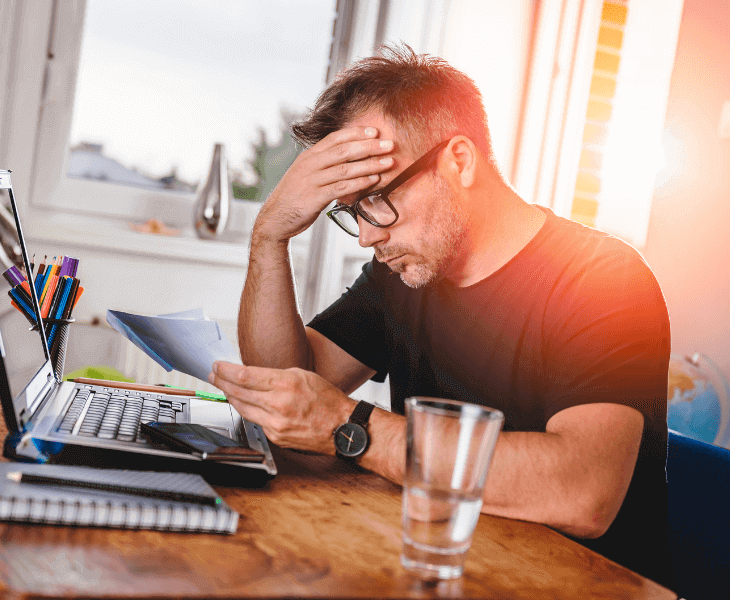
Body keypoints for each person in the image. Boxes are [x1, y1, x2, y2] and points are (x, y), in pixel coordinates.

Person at [208, 45, 672, 589]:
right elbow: (288, 390)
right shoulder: (404, 274)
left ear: (459, 160)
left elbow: (582, 492)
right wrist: (270, 234)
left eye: (378, 199)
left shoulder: (603, 280)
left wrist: (349, 427)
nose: (366, 235)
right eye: (351, 211)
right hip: (444, 574)